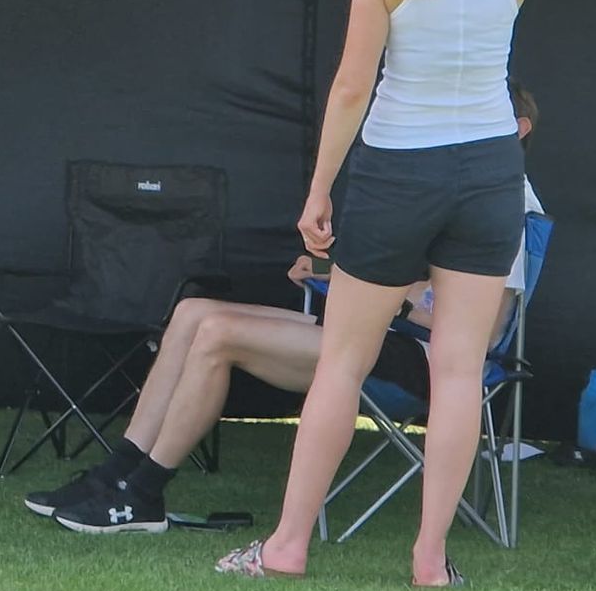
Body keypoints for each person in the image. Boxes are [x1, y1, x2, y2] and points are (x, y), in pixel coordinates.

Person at [218, 0, 584, 586]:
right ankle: (429, 562)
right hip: (488, 174)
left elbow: (354, 84)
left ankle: (285, 550)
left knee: (341, 365)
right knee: (458, 374)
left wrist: (319, 187)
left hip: (395, 171)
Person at [34, 85, 543, 535]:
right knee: (192, 311)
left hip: (416, 358)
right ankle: (116, 473)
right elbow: (409, 283)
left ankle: (143, 492)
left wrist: (389, 297)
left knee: (216, 333)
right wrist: (336, 280)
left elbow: (484, 330)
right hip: (374, 330)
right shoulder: (457, 186)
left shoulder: (507, 205)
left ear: (516, 129)